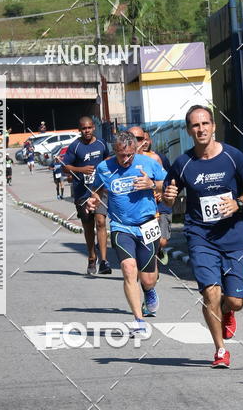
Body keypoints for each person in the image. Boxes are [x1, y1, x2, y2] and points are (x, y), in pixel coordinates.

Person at [163, 105, 243, 368]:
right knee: (211, 293)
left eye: (205, 123)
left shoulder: (232, 156)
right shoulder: (183, 163)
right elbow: (168, 191)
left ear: (213, 127)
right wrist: (168, 197)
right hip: (200, 236)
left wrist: (238, 204)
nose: (201, 129)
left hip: (234, 236)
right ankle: (220, 350)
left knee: (234, 301)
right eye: (195, 125)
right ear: (188, 130)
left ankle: (228, 312)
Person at [87, 130, 167, 337]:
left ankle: (149, 291)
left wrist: (152, 185)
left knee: (148, 279)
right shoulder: (105, 168)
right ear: (115, 151)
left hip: (147, 225)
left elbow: (167, 185)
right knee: (128, 267)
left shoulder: (148, 163)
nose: (126, 159)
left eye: (129, 154)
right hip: (122, 227)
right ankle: (139, 321)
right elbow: (97, 189)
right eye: (121, 155)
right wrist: (92, 199)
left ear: (135, 149)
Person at [62, 116, 112, 276]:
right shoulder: (75, 147)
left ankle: (104, 261)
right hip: (82, 192)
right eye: (84, 128)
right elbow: (65, 167)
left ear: (93, 128)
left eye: (89, 127)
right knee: (89, 226)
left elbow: (108, 160)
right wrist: (80, 170)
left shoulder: (102, 143)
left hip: (100, 190)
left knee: (101, 221)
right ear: (79, 130)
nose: (87, 131)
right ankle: (92, 257)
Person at [142, 129, 172, 266]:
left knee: (162, 240)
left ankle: (159, 250)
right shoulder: (133, 161)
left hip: (162, 203)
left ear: (150, 141)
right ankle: (152, 267)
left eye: (146, 139)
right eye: (141, 140)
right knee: (149, 239)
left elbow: (169, 179)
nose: (144, 142)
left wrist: (160, 190)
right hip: (148, 205)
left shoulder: (158, 158)